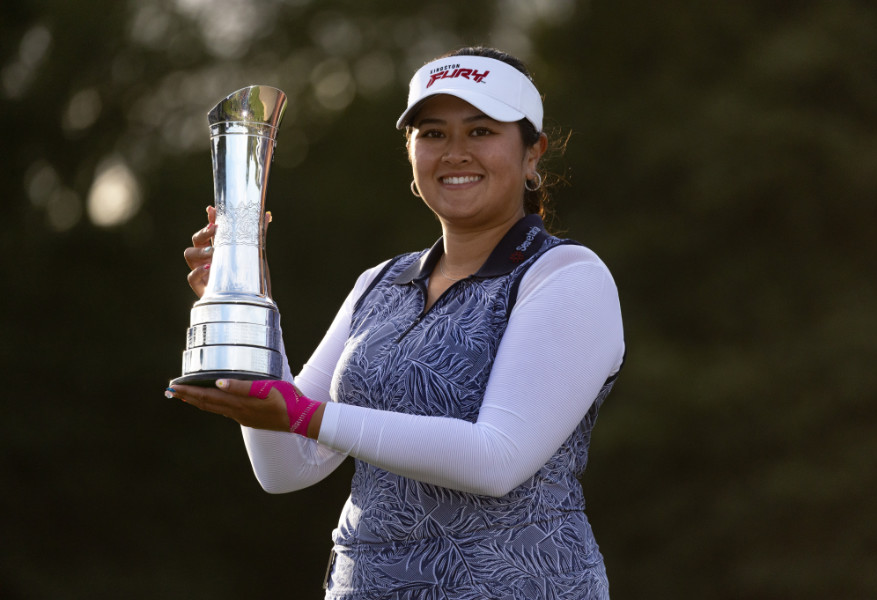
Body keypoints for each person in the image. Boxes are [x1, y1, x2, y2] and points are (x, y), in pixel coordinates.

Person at [169, 46, 625, 600]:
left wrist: (303, 414)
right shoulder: (380, 284)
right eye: (432, 133)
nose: (454, 152)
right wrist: (252, 304)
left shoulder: (567, 276)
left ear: (533, 154)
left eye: (480, 132)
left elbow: (495, 458)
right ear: (410, 153)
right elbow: (287, 466)